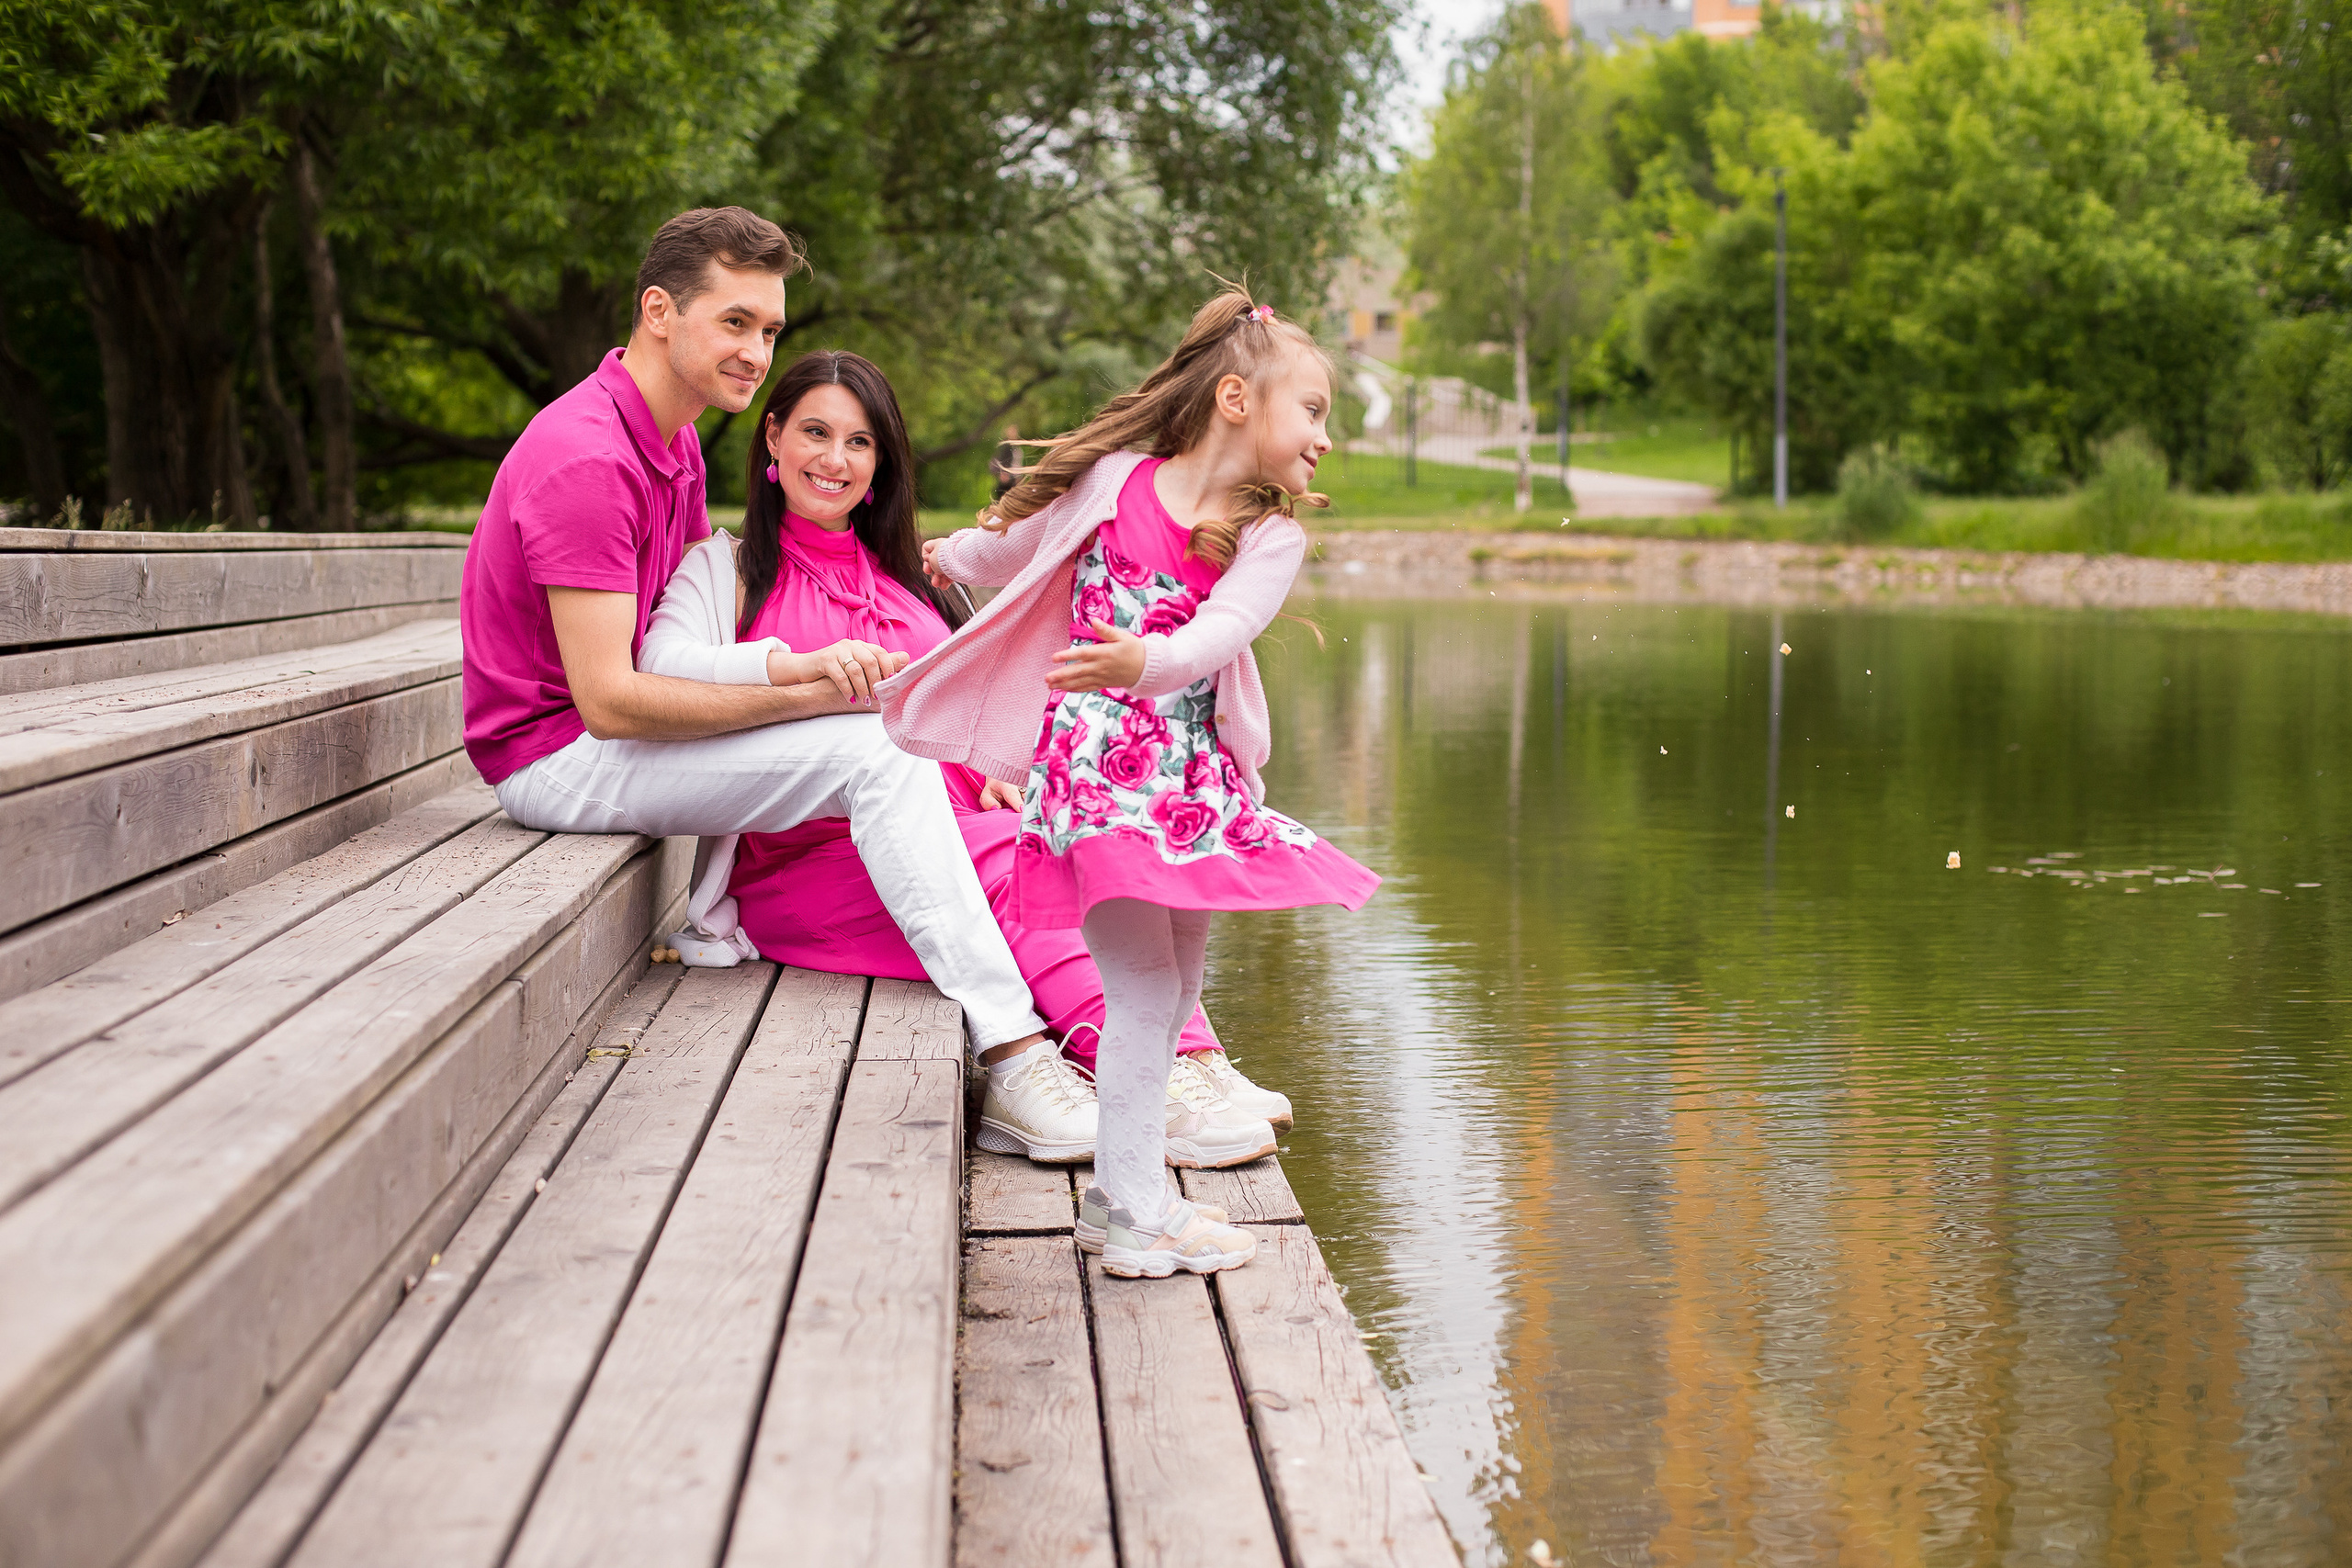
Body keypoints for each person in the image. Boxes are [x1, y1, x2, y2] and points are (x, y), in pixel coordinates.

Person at [635, 348, 1293, 1169]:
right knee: (1016, 864)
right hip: (813, 865)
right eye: (814, 432)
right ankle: (1158, 1070)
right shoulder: (727, 572)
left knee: (1069, 834)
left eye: (859, 442)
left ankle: (1182, 1059)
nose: (834, 460)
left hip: (958, 837)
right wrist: (784, 667)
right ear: (771, 438)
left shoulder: (922, 578)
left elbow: (995, 702)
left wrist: (1008, 773)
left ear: (881, 462)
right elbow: (658, 671)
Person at [457, 206, 1058, 1089]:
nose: (756, 351)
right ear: (659, 311)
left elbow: (694, 639)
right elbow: (610, 701)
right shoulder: (586, 457)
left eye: (769, 329)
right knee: (873, 751)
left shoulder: (675, 443)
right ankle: (1012, 1050)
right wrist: (815, 684)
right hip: (554, 753)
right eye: (734, 322)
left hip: (613, 731)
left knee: (886, 748)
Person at [881, 290, 1379, 1280]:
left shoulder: (1268, 537)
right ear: (1236, 398)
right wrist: (953, 554)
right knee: (1143, 989)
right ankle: (1131, 1211)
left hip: (1191, 796)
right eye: (1313, 409)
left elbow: (1216, 636)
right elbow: (1023, 545)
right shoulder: (1117, 481)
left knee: (1175, 986)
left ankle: (1125, 1192)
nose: (1326, 436)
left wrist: (1137, 662)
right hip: (1101, 786)